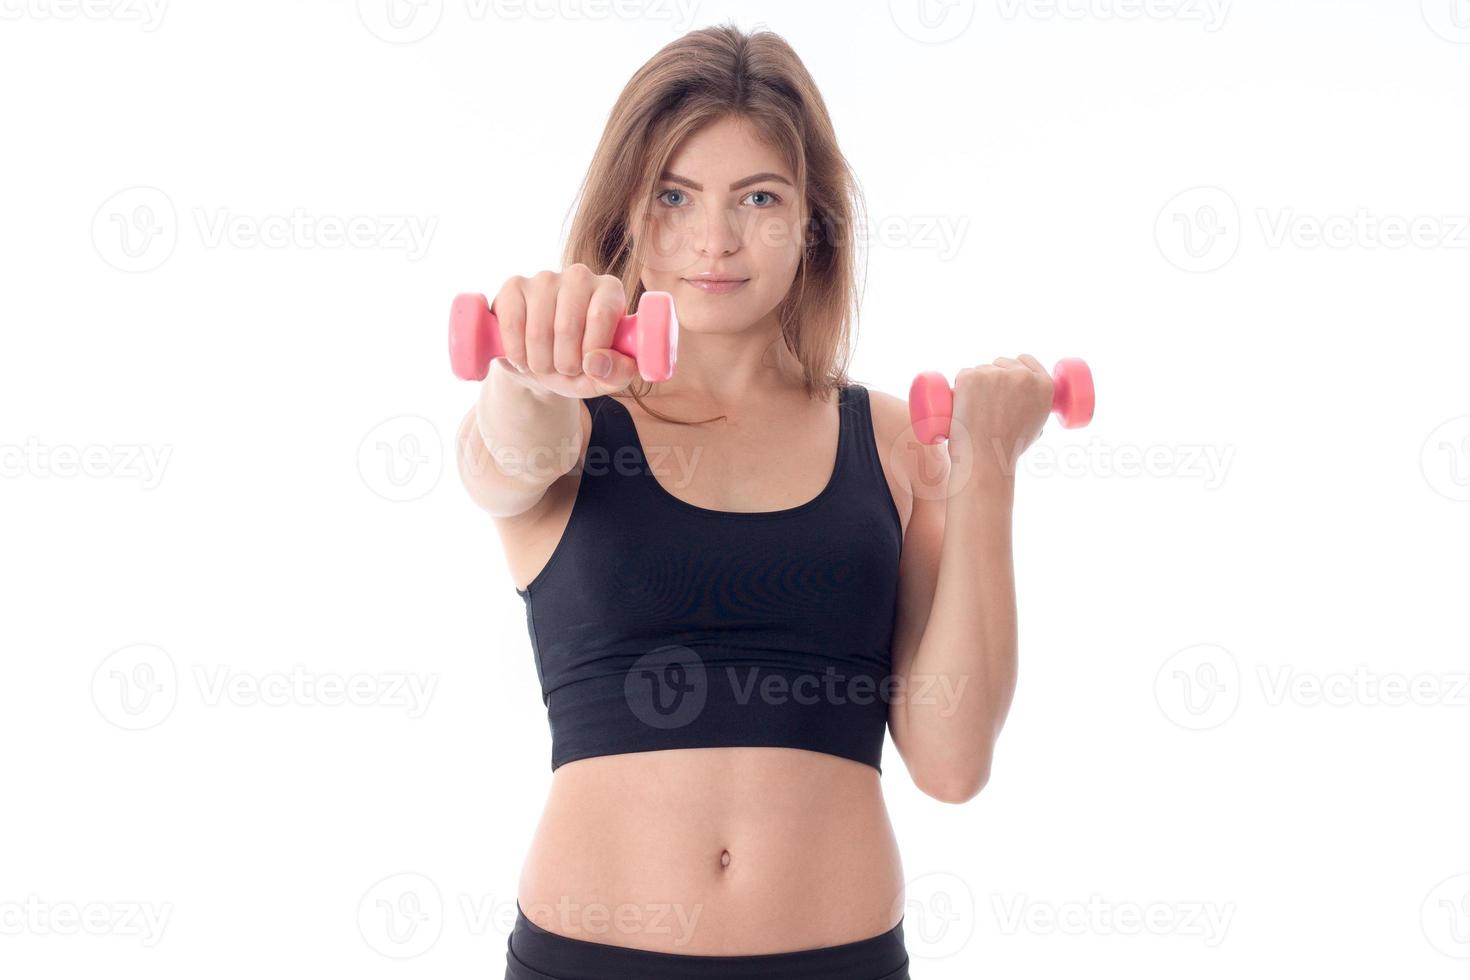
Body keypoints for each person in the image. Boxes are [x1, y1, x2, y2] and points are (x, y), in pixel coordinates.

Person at [456, 23, 1055, 980]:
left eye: (759, 198)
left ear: (813, 219)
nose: (714, 239)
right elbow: (503, 459)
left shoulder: (898, 442)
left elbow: (950, 763)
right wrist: (529, 374)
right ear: (628, 213)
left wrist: (988, 469)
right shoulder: (566, 420)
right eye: (674, 196)